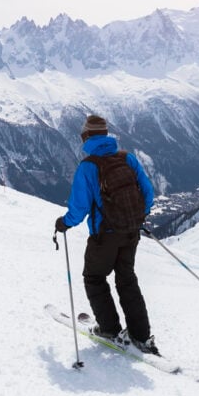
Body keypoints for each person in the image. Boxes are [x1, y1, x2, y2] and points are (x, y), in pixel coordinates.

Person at [55, 115, 158, 354]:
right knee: (127, 280)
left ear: (86, 137)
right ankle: (141, 336)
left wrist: (64, 224)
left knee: (94, 277)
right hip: (131, 232)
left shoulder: (88, 167)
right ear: (106, 134)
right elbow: (148, 193)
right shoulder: (127, 158)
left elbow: (79, 208)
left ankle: (110, 330)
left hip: (105, 235)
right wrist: (137, 217)